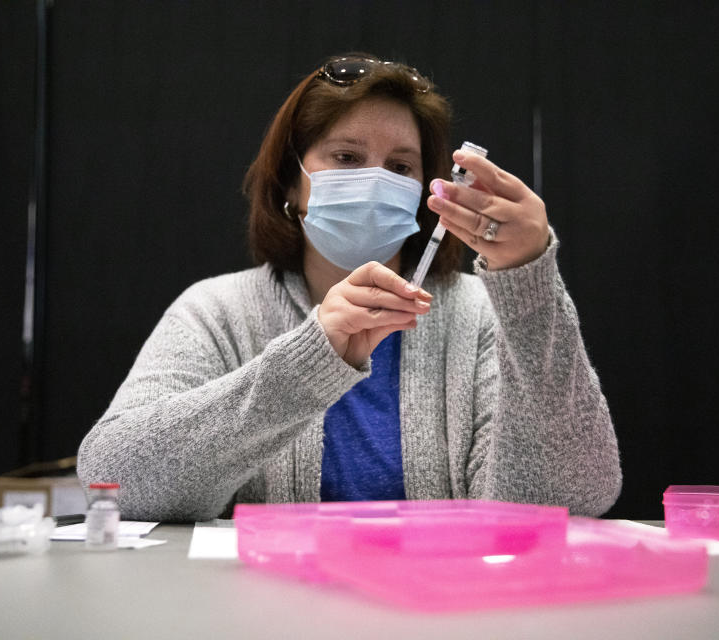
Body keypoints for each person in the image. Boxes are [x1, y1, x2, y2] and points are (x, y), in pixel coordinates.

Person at [77, 54, 621, 522]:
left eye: (401, 166)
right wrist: (309, 359)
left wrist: (529, 282)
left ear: (429, 193)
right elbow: (114, 480)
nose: (374, 180)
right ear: (292, 181)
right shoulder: (217, 311)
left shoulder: (479, 314)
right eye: (346, 158)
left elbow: (573, 496)